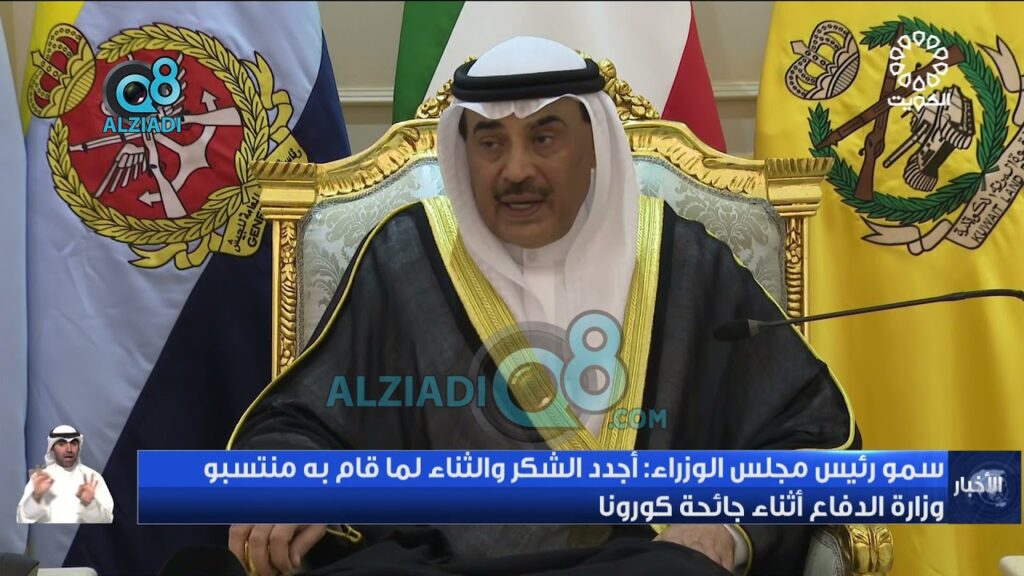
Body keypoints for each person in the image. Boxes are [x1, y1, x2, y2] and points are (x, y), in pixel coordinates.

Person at [227, 36, 857, 575]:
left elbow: (810, 432)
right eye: (490, 143)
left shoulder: (682, 258)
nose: (515, 171)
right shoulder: (406, 256)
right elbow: (305, 419)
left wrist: (728, 527)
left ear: (595, 144)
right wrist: (292, 479)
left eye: (545, 137)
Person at [16, 425, 114, 524]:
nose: (69, 449)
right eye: (61, 444)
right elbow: (22, 518)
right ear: (52, 448)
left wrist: (91, 504)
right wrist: (36, 497)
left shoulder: (93, 478)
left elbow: (108, 521)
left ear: (79, 447)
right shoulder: (40, 479)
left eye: (73, 443)